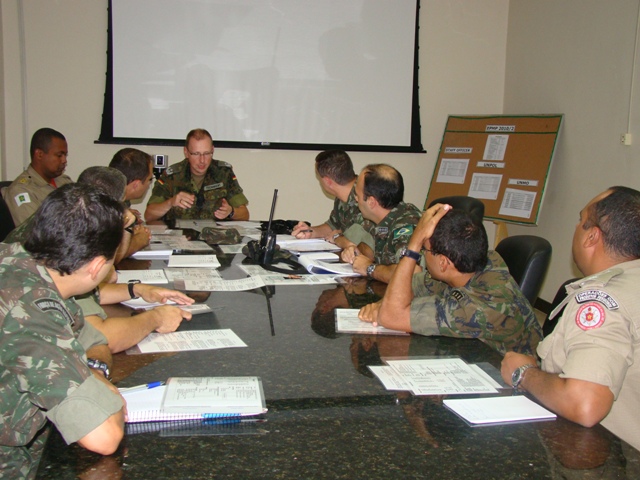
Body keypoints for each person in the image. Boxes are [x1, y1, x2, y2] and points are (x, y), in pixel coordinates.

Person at [0, 183, 126, 477]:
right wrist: (107, 395)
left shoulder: (16, 258)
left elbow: (86, 338)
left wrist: (91, 372)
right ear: (97, 267)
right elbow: (104, 437)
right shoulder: (32, 312)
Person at [501, 186, 640, 451]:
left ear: (592, 237)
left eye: (580, 220)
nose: (576, 227)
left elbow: (584, 403)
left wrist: (524, 374)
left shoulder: (602, 301)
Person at [3, 167, 194, 354]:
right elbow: (101, 335)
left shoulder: (61, 221)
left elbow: (91, 288)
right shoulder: (74, 241)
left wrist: (136, 289)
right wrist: (156, 318)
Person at [358, 204, 542, 356]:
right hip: (471, 357)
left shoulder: (480, 307)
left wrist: (413, 246)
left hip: (506, 382)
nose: (422, 254)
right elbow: (410, 286)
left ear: (444, 262)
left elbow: (391, 316)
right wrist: (383, 305)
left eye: (424, 250)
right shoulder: (473, 262)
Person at [144, 128, 249, 223]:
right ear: (186, 152)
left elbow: (245, 214)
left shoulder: (224, 173)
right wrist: (170, 202)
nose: (202, 160)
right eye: (196, 154)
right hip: (181, 239)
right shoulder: (172, 176)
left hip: (214, 237)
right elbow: (149, 215)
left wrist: (231, 212)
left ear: (213, 150)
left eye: (207, 153)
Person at [341, 164, 422, 283]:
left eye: (357, 195)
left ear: (371, 202)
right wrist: (354, 253)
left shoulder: (405, 224)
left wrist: (370, 268)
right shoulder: (380, 220)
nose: (356, 200)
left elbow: (411, 273)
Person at [290, 150, 367, 248]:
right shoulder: (342, 196)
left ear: (328, 181)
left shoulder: (365, 198)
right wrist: (310, 231)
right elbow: (332, 226)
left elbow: (359, 243)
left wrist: (337, 237)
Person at [2, 127, 73, 226]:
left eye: (65, 155)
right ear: (39, 154)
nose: (64, 160)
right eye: (59, 155)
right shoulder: (21, 191)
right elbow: (36, 233)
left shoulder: (64, 181)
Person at [109, 148, 155, 256]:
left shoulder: (119, 199)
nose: (149, 184)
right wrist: (140, 239)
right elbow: (111, 256)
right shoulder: (106, 208)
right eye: (149, 179)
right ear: (136, 184)